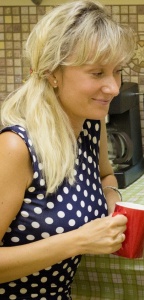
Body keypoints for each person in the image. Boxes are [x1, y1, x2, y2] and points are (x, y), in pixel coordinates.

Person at [0, 0, 136, 298]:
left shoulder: (90, 126)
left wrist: (112, 199)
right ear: (52, 73)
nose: (114, 87)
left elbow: (106, 175)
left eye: (117, 71)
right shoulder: (16, 146)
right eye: (97, 73)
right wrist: (79, 241)